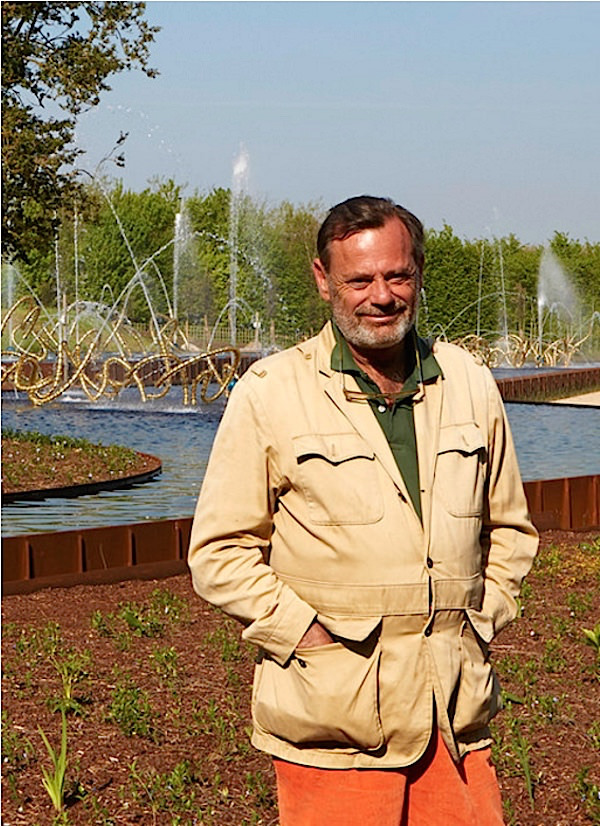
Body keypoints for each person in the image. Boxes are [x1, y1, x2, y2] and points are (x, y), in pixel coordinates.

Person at [188, 195, 538, 825]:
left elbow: (510, 529)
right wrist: (308, 639)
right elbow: (219, 553)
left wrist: (478, 626)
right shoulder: (271, 393)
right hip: (333, 727)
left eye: (397, 275)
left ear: (418, 274)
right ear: (324, 281)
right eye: (360, 279)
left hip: (452, 718)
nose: (381, 295)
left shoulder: (468, 382)